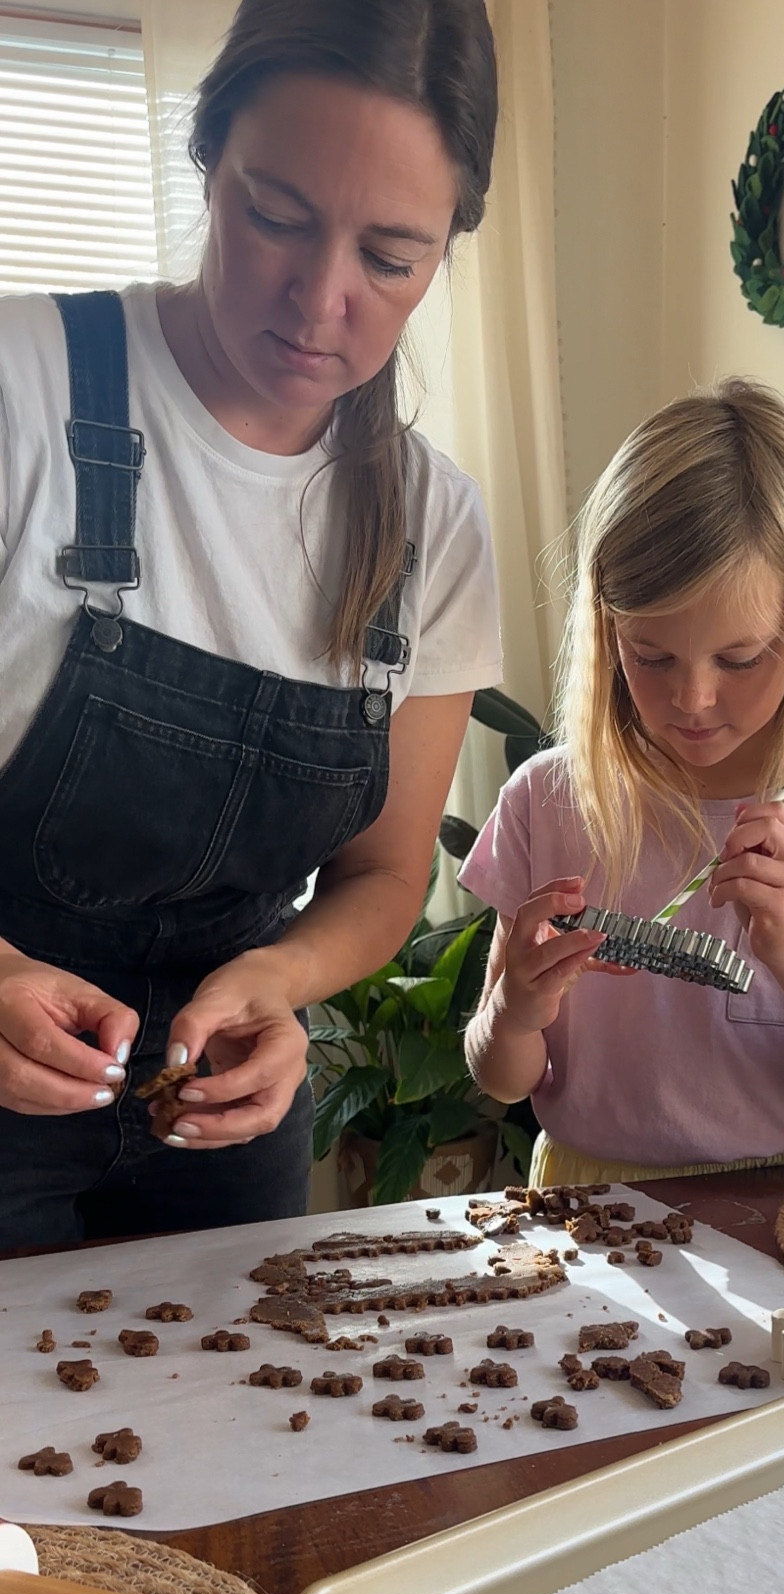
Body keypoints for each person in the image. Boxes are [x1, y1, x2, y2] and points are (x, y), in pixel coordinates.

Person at [0, 0, 501, 1250]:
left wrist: (278, 980)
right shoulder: (24, 390)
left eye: (390, 257)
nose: (320, 297)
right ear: (207, 158)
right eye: (276, 214)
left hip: (226, 1123)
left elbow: (386, 875)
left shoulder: (431, 524)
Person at [460, 380, 784, 1189]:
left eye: (740, 658)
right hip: (581, 1205)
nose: (693, 699)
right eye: (652, 655)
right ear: (605, 634)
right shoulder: (547, 800)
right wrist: (513, 1011)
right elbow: (501, 1076)